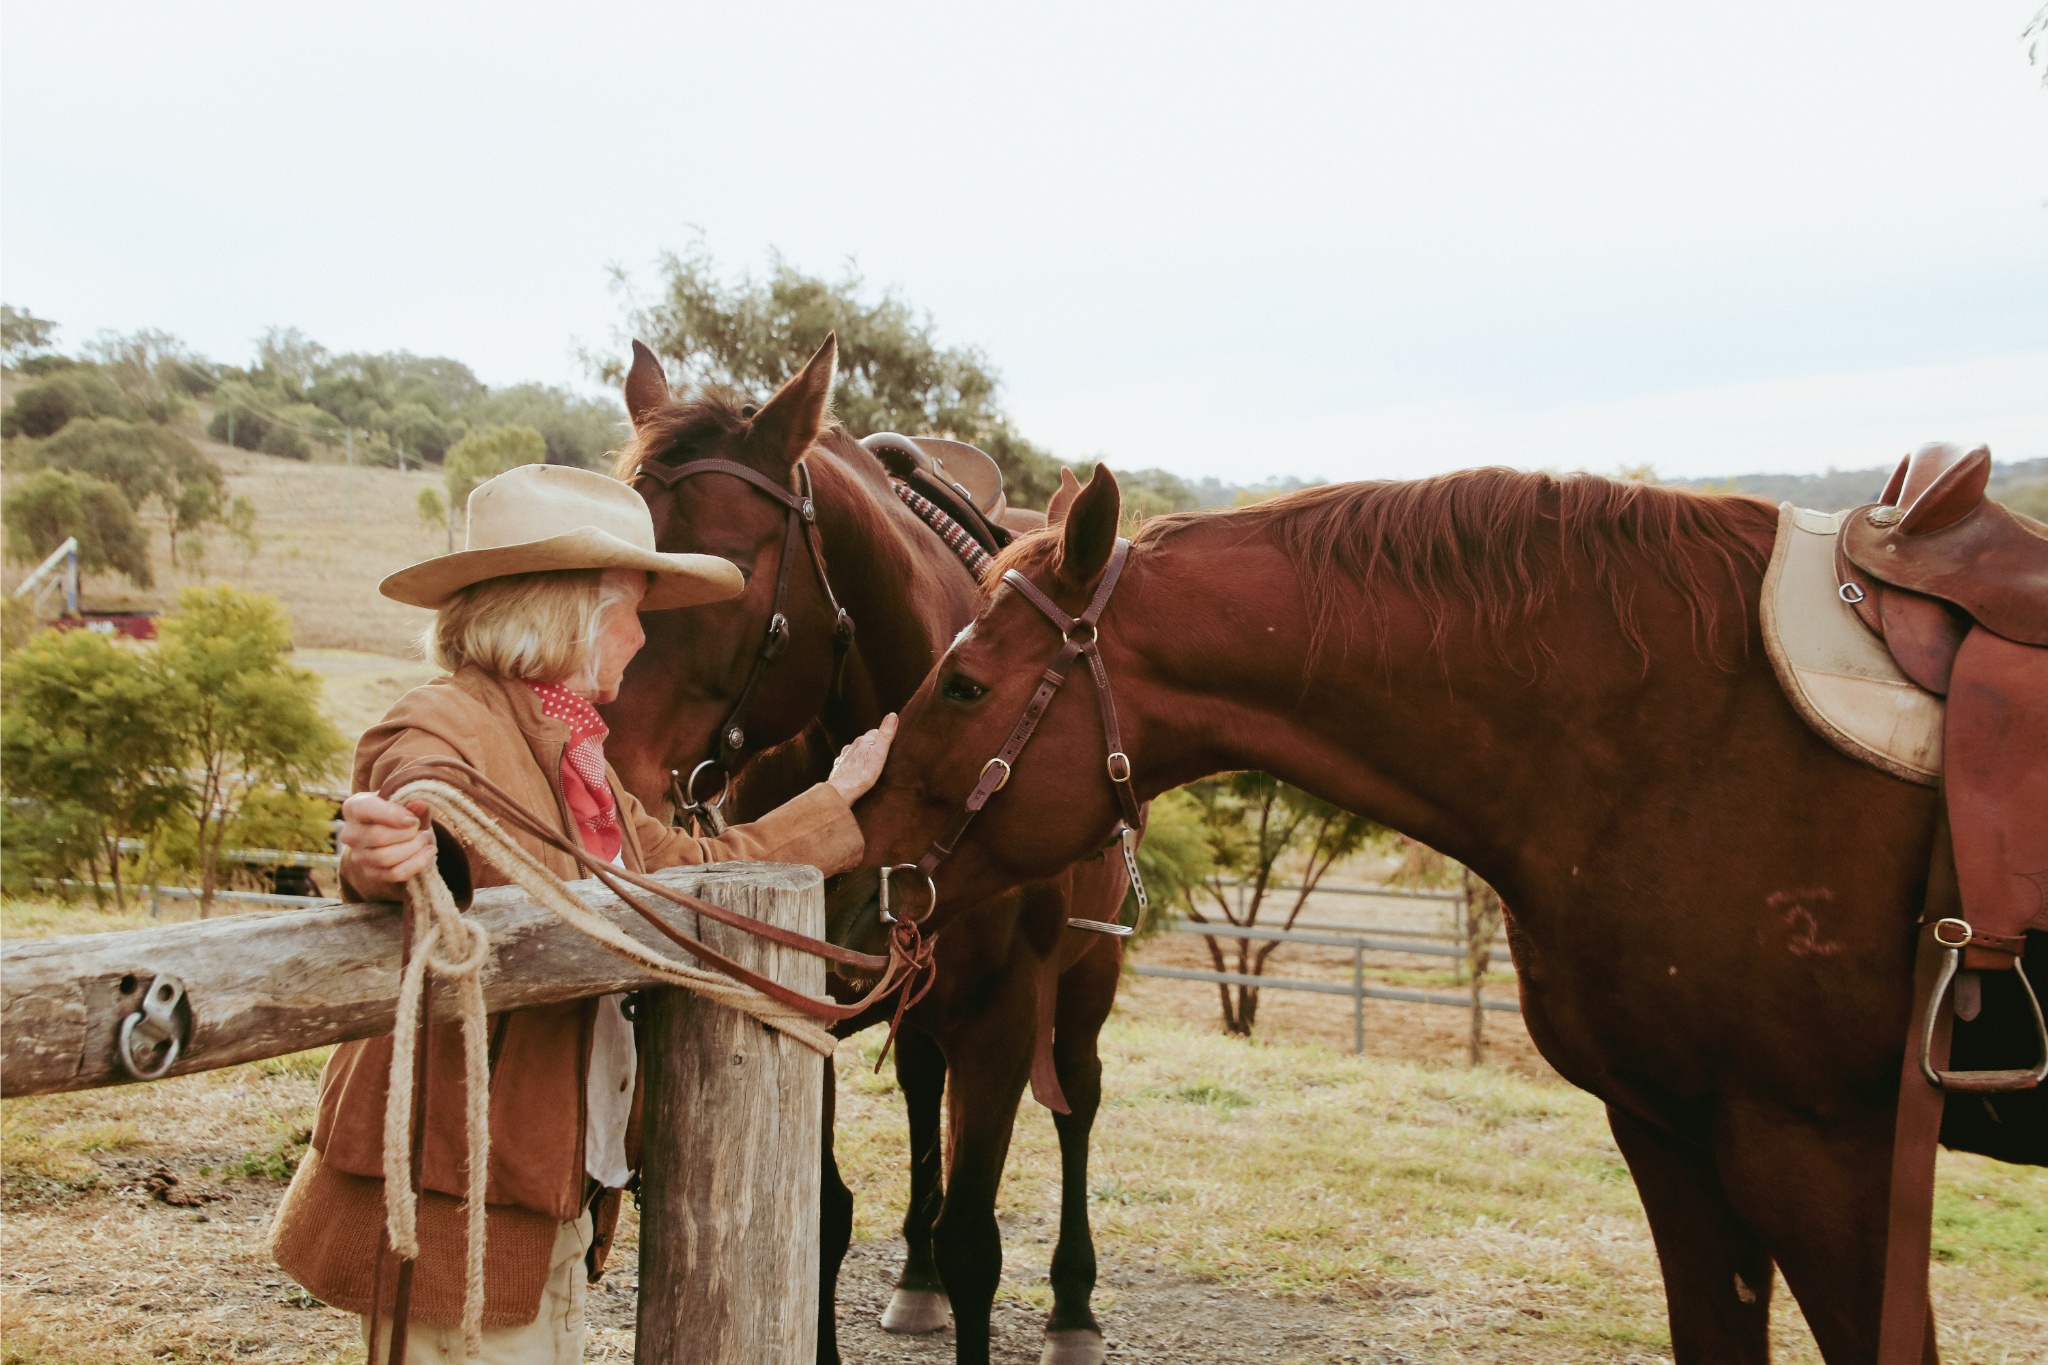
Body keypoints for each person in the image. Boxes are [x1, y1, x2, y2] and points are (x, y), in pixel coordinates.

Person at [269, 463, 894, 1363]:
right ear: (567, 610)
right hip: (465, 1192)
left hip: (547, 1180)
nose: (644, 635)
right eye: (631, 607)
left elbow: (689, 869)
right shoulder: (444, 722)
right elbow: (421, 802)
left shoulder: (577, 755)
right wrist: (389, 852)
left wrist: (836, 801)